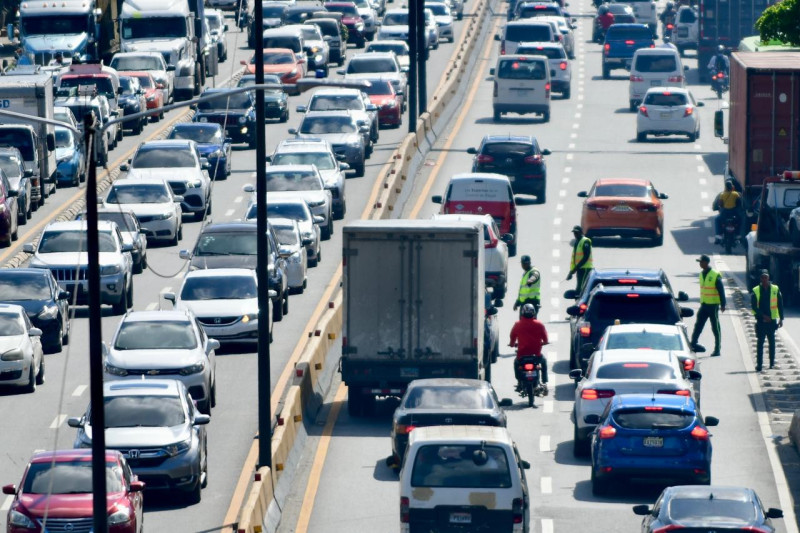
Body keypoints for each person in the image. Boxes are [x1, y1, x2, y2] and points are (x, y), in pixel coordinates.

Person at [690, 254, 726, 357]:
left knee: (715, 327)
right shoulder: (701, 274)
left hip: (713, 305)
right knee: (698, 325)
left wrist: (723, 304)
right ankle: (693, 343)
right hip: (704, 304)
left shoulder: (714, 274)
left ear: (706, 262)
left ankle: (717, 349)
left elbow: (721, 290)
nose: (700, 264)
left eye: (701, 262)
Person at [509, 303, 549, 392]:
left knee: (516, 364)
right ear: (534, 313)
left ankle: (519, 382)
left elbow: (512, 336)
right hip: (536, 355)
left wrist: (512, 344)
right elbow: (545, 338)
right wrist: (544, 342)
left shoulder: (518, 324)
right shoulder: (539, 324)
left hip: (522, 355)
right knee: (544, 362)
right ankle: (545, 381)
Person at [750, 270, 784, 371]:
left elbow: (780, 304)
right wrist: (764, 316)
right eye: (762, 277)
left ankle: (771, 363)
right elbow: (754, 307)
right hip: (761, 322)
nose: (764, 279)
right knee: (760, 343)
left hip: (772, 322)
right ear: (760, 279)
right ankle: (759, 365)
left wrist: (781, 318)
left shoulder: (775, 289)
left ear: (768, 278)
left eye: (766, 277)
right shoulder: (756, 290)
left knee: (772, 343)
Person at [567, 225, 592, 293]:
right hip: (580, 269)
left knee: (582, 288)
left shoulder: (585, 241)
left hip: (585, 268)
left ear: (581, 232)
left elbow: (586, 257)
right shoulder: (577, 242)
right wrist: (571, 272)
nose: (575, 234)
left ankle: (581, 302)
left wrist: (575, 269)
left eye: (577, 233)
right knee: (579, 287)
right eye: (574, 233)